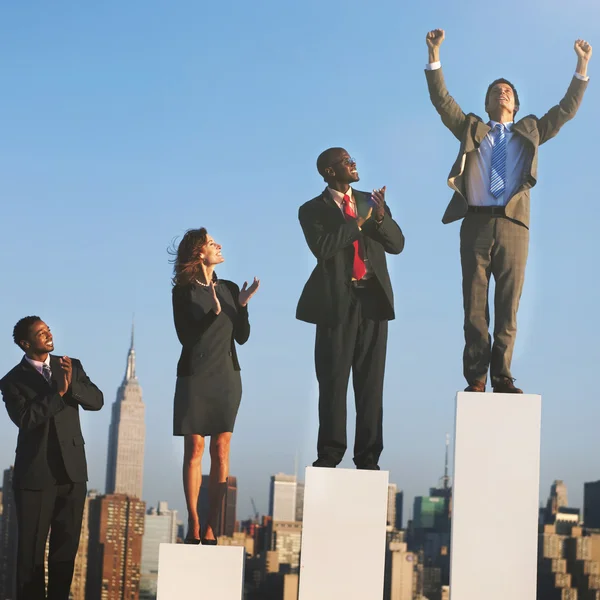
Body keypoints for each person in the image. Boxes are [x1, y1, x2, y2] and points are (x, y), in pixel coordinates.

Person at [424, 29, 592, 393]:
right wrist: (434, 55)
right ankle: (476, 377)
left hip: (515, 224)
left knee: (508, 303)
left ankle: (502, 374)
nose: (502, 93)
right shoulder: (472, 126)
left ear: (514, 105)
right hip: (476, 222)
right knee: (473, 303)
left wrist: (582, 67)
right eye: (495, 91)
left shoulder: (529, 129)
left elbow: (564, 112)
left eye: (508, 92)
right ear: (487, 106)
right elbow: (442, 101)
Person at [296, 148, 405, 469]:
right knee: (332, 382)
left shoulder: (371, 202)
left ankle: (368, 458)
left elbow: (397, 245)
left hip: (373, 301)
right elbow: (323, 248)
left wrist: (380, 216)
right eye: (346, 161)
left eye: (352, 160)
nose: (353, 163)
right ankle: (330, 454)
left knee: (371, 385)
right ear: (329, 172)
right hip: (335, 303)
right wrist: (358, 221)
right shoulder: (311, 210)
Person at [0, 316, 104, 600]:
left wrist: (72, 387)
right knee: (31, 554)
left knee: (65, 552)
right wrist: (58, 394)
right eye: (40, 332)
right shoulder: (11, 381)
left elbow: (97, 401)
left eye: (47, 329)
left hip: (72, 474)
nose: (47, 333)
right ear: (26, 343)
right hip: (35, 476)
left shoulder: (70, 365)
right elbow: (25, 419)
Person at [171, 228, 259, 544]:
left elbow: (242, 337)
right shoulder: (183, 291)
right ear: (198, 253)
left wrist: (243, 305)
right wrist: (213, 313)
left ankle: (211, 526)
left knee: (221, 448)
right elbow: (186, 336)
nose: (218, 245)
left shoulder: (230, 288)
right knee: (194, 448)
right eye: (211, 243)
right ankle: (194, 523)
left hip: (226, 377)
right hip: (195, 375)